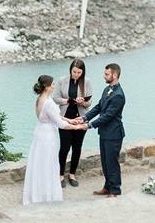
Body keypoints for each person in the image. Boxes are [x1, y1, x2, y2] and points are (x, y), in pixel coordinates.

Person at [22, 75, 84, 205]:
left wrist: (70, 120)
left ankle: (37, 193)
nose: (54, 86)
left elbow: (56, 116)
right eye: (52, 84)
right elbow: (60, 124)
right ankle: (46, 195)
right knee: (48, 164)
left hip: (40, 132)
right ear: (47, 87)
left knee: (39, 163)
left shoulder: (41, 98)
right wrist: (76, 126)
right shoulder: (49, 102)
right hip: (47, 136)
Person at [70, 63, 126, 198]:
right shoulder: (107, 89)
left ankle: (115, 190)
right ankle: (107, 187)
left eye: (107, 74)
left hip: (114, 133)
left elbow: (108, 116)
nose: (104, 76)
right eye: (105, 73)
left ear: (115, 75)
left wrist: (89, 125)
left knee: (112, 162)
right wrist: (84, 118)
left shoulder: (118, 95)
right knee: (105, 162)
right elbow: (99, 107)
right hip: (105, 132)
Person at [53, 59, 94, 188]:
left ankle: (72, 174)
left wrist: (82, 102)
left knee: (77, 147)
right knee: (64, 147)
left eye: (79, 72)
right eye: (74, 72)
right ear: (70, 70)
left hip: (81, 119)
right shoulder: (62, 80)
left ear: (83, 72)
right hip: (65, 118)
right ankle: (60, 175)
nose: (76, 74)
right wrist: (69, 101)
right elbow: (55, 98)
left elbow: (89, 103)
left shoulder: (87, 82)